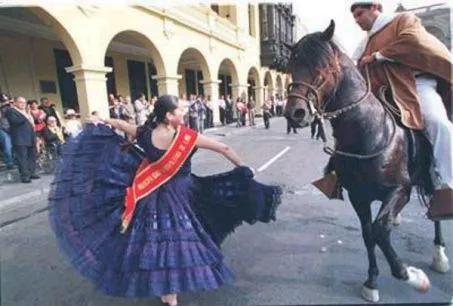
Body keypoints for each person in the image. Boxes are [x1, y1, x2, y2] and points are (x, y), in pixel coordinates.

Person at [48, 95, 282, 306]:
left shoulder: (144, 133)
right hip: (183, 194)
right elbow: (224, 147)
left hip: (149, 195)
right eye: (179, 110)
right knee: (180, 239)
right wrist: (243, 166)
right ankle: (170, 294)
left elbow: (121, 125)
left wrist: (104, 121)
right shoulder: (187, 137)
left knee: (155, 240)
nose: (184, 112)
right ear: (169, 116)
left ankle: (166, 294)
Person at [350, 1, 453, 220]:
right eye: (354, 17)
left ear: (375, 8)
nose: (357, 20)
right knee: (355, 124)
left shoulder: (403, 21)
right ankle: (337, 174)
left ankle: (447, 185)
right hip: (384, 92)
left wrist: (377, 56)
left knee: (439, 123)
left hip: (415, 87)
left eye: (359, 14)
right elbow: (354, 64)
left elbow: (412, 41)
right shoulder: (364, 42)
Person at [4, 96, 39, 183]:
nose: (23, 104)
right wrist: (26, 115)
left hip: (30, 137)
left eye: (24, 102)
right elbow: (15, 121)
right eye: (20, 102)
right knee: (22, 158)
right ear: (15, 103)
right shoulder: (10, 111)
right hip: (20, 138)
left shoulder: (26, 112)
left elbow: (32, 124)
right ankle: (25, 176)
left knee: (32, 156)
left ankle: (32, 173)